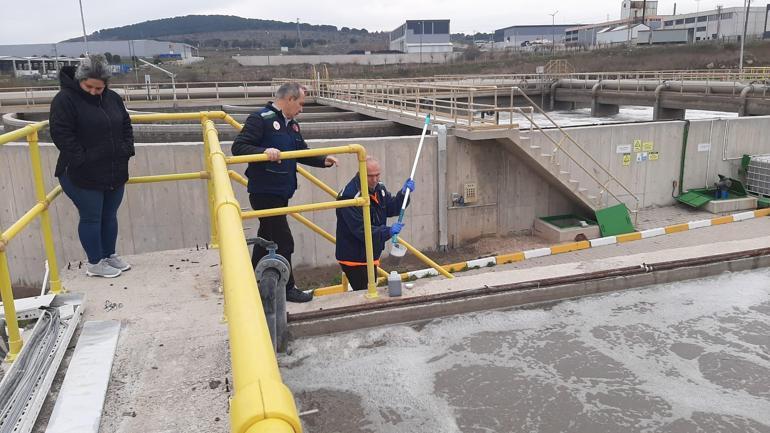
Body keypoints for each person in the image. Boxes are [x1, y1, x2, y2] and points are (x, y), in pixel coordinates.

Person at [232, 82, 338, 303]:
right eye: (300, 103)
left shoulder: (292, 125)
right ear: (289, 99)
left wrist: (322, 160)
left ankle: (250, 283)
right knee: (284, 241)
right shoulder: (260, 119)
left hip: (281, 192)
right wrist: (264, 151)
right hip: (265, 192)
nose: (301, 108)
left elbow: (300, 151)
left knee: (266, 237)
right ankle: (288, 288)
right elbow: (239, 147)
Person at [49, 55, 134, 278]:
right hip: (80, 173)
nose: (94, 92)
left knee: (109, 215)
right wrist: (82, 159)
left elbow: (125, 124)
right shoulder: (64, 100)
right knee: (91, 217)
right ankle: (95, 263)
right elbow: (61, 134)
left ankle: (109, 255)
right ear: (80, 80)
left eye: (99, 88)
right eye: (89, 87)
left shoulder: (112, 98)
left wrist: (126, 149)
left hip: (113, 169)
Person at [335, 157, 414, 291]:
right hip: (355, 257)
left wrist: (403, 194)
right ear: (360, 173)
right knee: (366, 292)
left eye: (377, 175)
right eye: (370, 176)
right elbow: (361, 230)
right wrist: (387, 231)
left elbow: (391, 208)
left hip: (370, 253)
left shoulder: (378, 188)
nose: (375, 179)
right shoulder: (349, 197)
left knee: (369, 291)